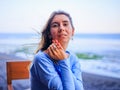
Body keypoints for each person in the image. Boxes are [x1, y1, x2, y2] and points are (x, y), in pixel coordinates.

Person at [30, 10, 84, 90]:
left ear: (72, 31)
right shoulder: (41, 59)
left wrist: (63, 59)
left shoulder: (73, 58)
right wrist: (63, 61)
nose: (61, 28)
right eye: (55, 25)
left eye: (65, 24)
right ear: (49, 33)